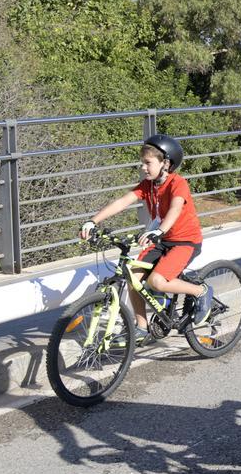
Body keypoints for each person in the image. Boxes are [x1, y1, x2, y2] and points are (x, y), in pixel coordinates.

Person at [80, 135, 212, 340]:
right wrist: (92, 221)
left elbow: (176, 208)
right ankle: (141, 326)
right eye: (142, 163)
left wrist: (159, 230)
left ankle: (200, 291)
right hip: (161, 240)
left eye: (148, 163)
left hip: (185, 241)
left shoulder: (178, 183)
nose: (143, 167)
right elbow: (122, 202)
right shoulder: (148, 186)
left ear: (165, 164)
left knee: (157, 281)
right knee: (132, 276)